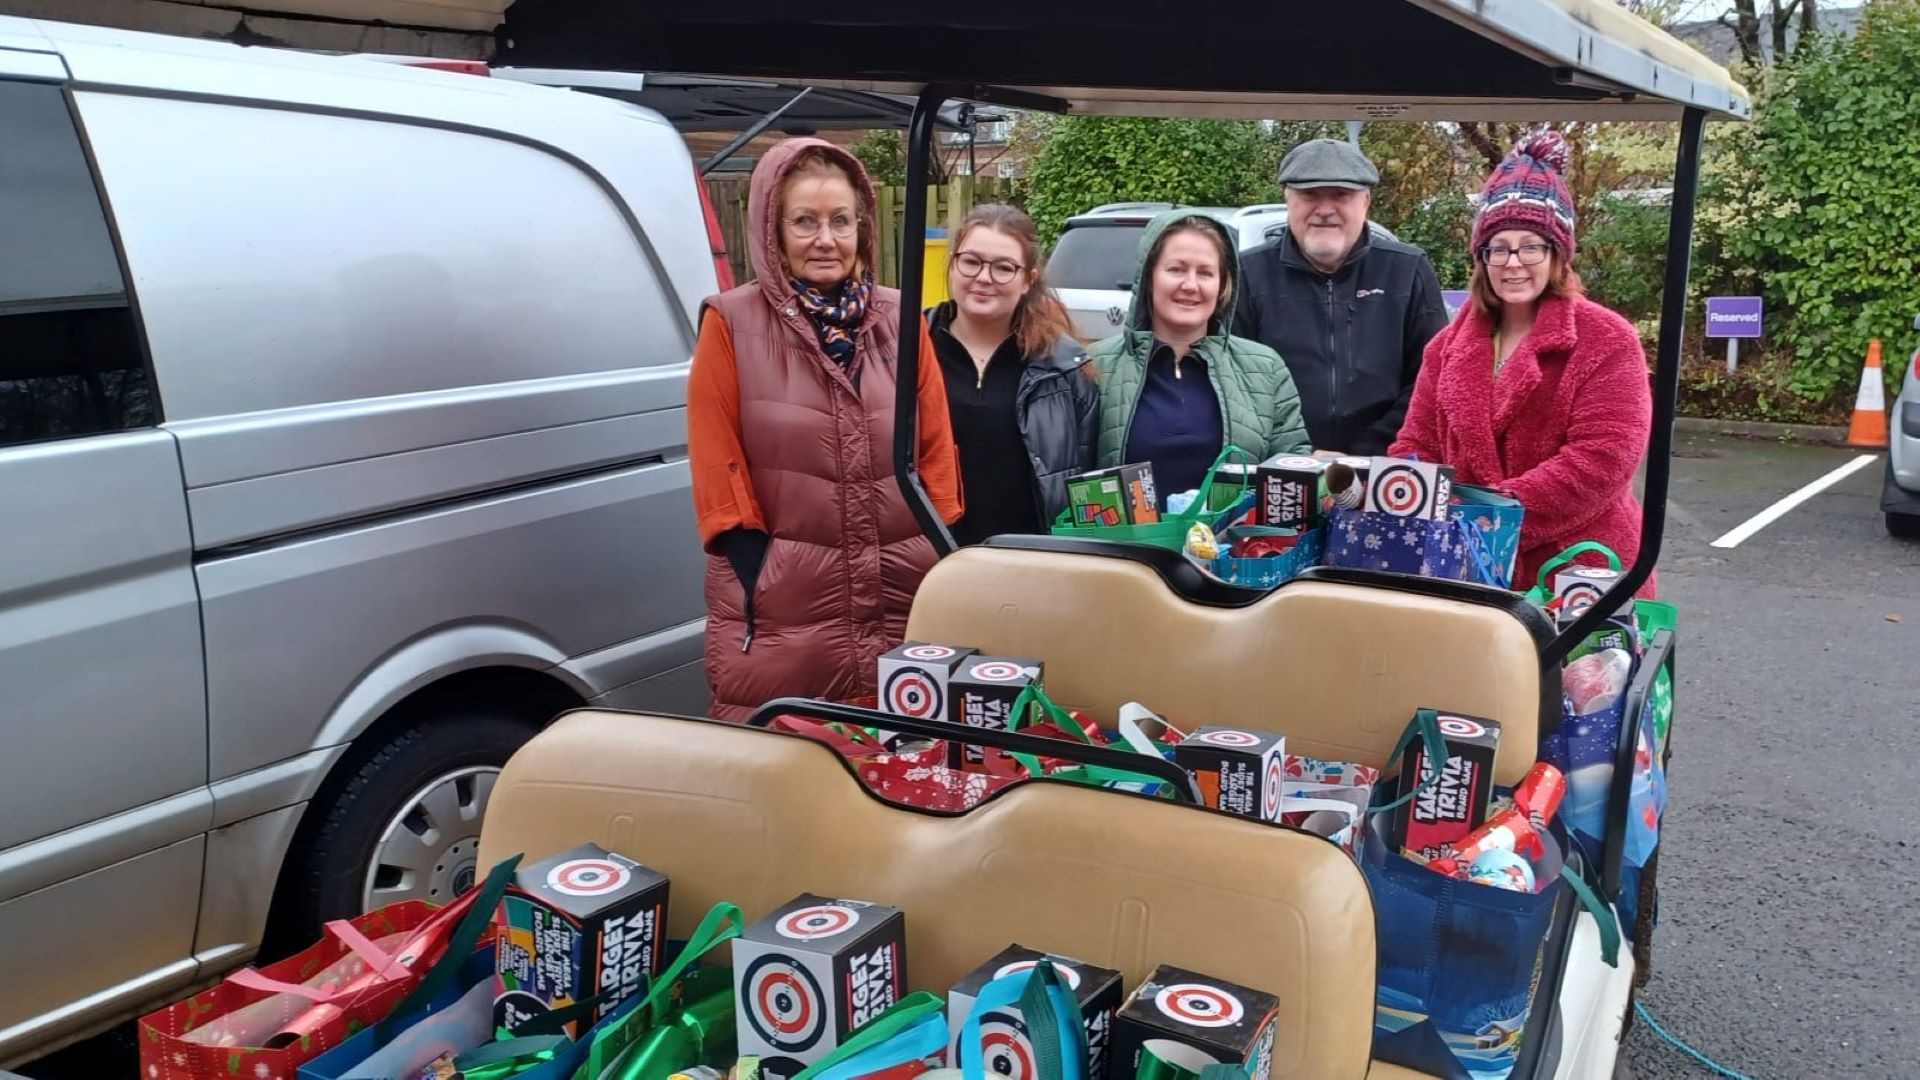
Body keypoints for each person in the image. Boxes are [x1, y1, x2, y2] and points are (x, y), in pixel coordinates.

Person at [689, 137, 964, 722]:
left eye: (841, 221)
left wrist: (939, 553)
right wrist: (759, 569)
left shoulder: (898, 318)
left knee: (901, 772)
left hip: (902, 591)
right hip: (784, 607)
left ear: (862, 227)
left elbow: (937, 451)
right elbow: (718, 464)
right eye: (804, 221)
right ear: (772, 230)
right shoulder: (731, 324)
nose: (825, 239)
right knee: (784, 778)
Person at [1391, 132, 1656, 595]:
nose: (1514, 262)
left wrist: (1493, 515)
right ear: (1481, 258)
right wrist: (1396, 490)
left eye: (1531, 245)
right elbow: (1418, 446)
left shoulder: (1607, 338)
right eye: (1498, 247)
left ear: (1557, 254)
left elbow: (1603, 458)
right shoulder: (1444, 348)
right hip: (1467, 569)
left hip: (1577, 570)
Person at [1235, 138, 1450, 456]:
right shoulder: (1248, 275)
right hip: (1280, 465)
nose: (1324, 210)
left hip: (1386, 468)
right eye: (1309, 195)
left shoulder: (1408, 270)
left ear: (1366, 202)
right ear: (1288, 199)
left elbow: (1432, 378)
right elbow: (1236, 383)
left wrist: (1363, 453)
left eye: (1340, 195)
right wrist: (1299, 454)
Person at [1091, 211, 1310, 501]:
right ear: (1148, 277)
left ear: (1223, 286)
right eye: (1176, 269)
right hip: (1127, 546)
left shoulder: (1265, 368)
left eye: (1205, 273)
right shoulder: (1095, 366)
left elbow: (1292, 467)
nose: (1191, 285)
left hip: (1233, 546)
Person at [927, 204, 1096, 544]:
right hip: (931, 562)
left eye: (1004, 268)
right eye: (971, 261)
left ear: (1027, 280)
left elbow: (1086, 484)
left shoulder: (1063, 369)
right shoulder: (909, 349)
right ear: (954, 263)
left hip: (1029, 564)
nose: (984, 278)